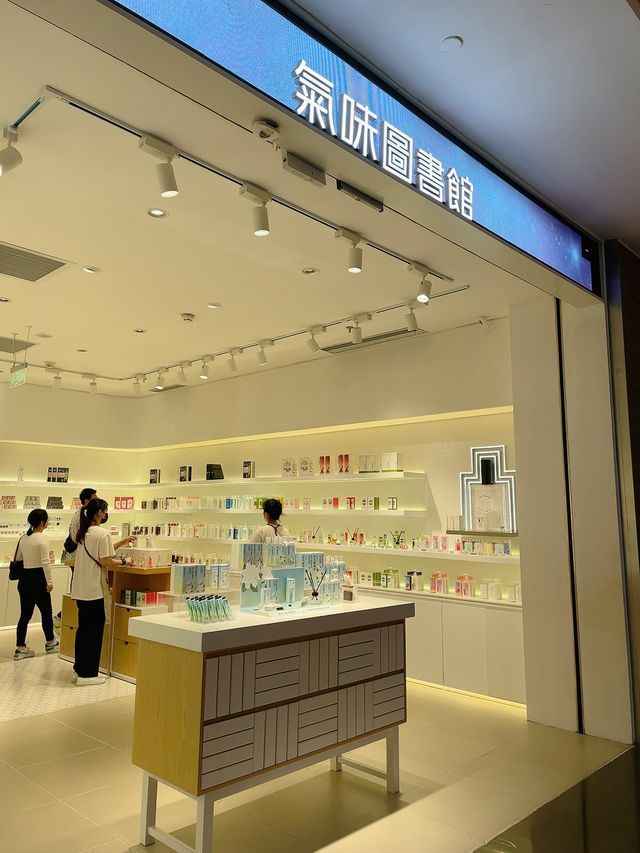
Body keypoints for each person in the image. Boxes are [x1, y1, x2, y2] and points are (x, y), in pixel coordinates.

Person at [70, 498, 133, 686]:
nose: (105, 515)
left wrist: (121, 542)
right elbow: (106, 561)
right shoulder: (102, 533)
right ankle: (88, 674)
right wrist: (125, 561)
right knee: (94, 634)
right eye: (105, 512)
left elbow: (101, 552)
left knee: (83, 631)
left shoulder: (84, 533)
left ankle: (79, 669)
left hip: (81, 590)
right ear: (99, 513)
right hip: (94, 591)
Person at [14, 509, 59, 660]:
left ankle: (20, 648)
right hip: (39, 578)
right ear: (42, 522)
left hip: (24, 579)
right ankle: (50, 642)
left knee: (25, 615)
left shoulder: (23, 538)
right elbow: (45, 562)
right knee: (46, 612)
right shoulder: (43, 538)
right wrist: (49, 581)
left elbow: (18, 558)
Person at [54, 487, 97, 629]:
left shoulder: (79, 513)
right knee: (78, 591)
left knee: (76, 589)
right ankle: (63, 617)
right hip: (78, 558)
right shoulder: (84, 515)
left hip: (75, 557)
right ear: (87, 501)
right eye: (95, 499)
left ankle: (64, 617)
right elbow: (81, 538)